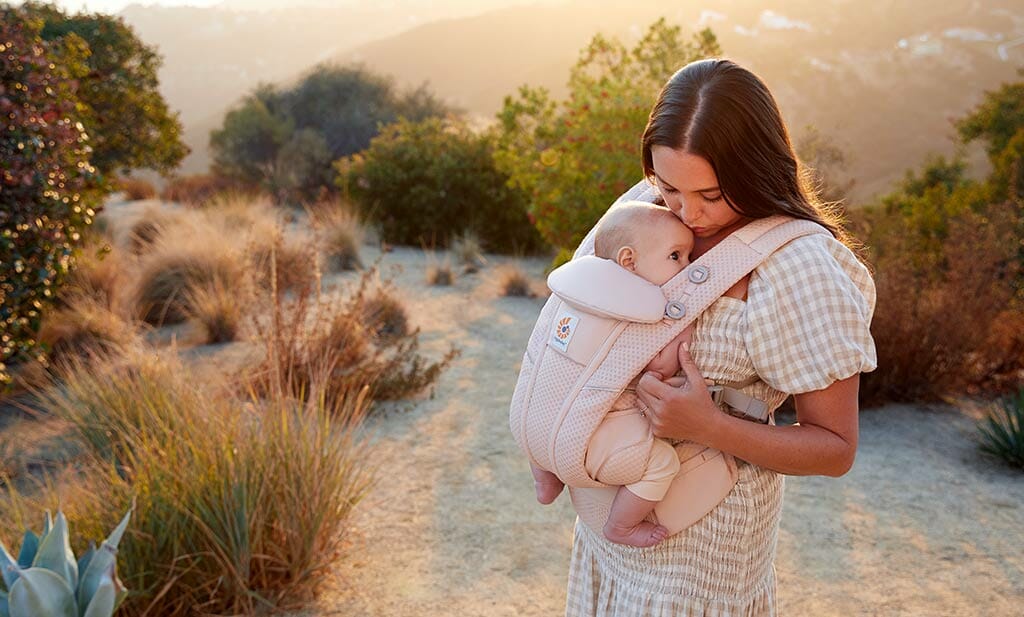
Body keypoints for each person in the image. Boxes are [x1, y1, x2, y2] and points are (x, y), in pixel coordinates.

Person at [563, 58, 877, 617]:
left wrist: (707, 425)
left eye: (710, 193)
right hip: (611, 520)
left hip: (703, 552)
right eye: (669, 186)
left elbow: (836, 449)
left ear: (756, 169)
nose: (687, 212)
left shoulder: (799, 265)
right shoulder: (647, 208)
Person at [529, 201, 695, 548]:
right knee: (662, 463)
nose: (688, 266)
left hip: (529, 424)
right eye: (676, 256)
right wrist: (683, 331)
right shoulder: (641, 309)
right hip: (585, 442)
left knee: (541, 411)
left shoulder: (575, 290)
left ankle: (545, 480)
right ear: (628, 262)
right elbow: (661, 367)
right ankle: (621, 525)